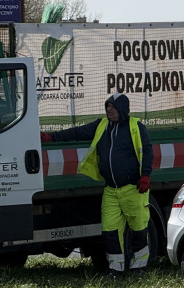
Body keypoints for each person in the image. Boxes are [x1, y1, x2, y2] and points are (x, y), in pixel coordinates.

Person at [41, 93, 153, 276]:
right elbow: (77, 133)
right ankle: (115, 269)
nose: (109, 110)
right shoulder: (101, 125)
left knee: (139, 229)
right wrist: (51, 137)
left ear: (123, 109)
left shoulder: (136, 127)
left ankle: (139, 267)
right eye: (107, 106)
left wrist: (145, 175)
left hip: (133, 189)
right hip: (111, 190)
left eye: (113, 107)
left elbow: (147, 151)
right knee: (110, 230)